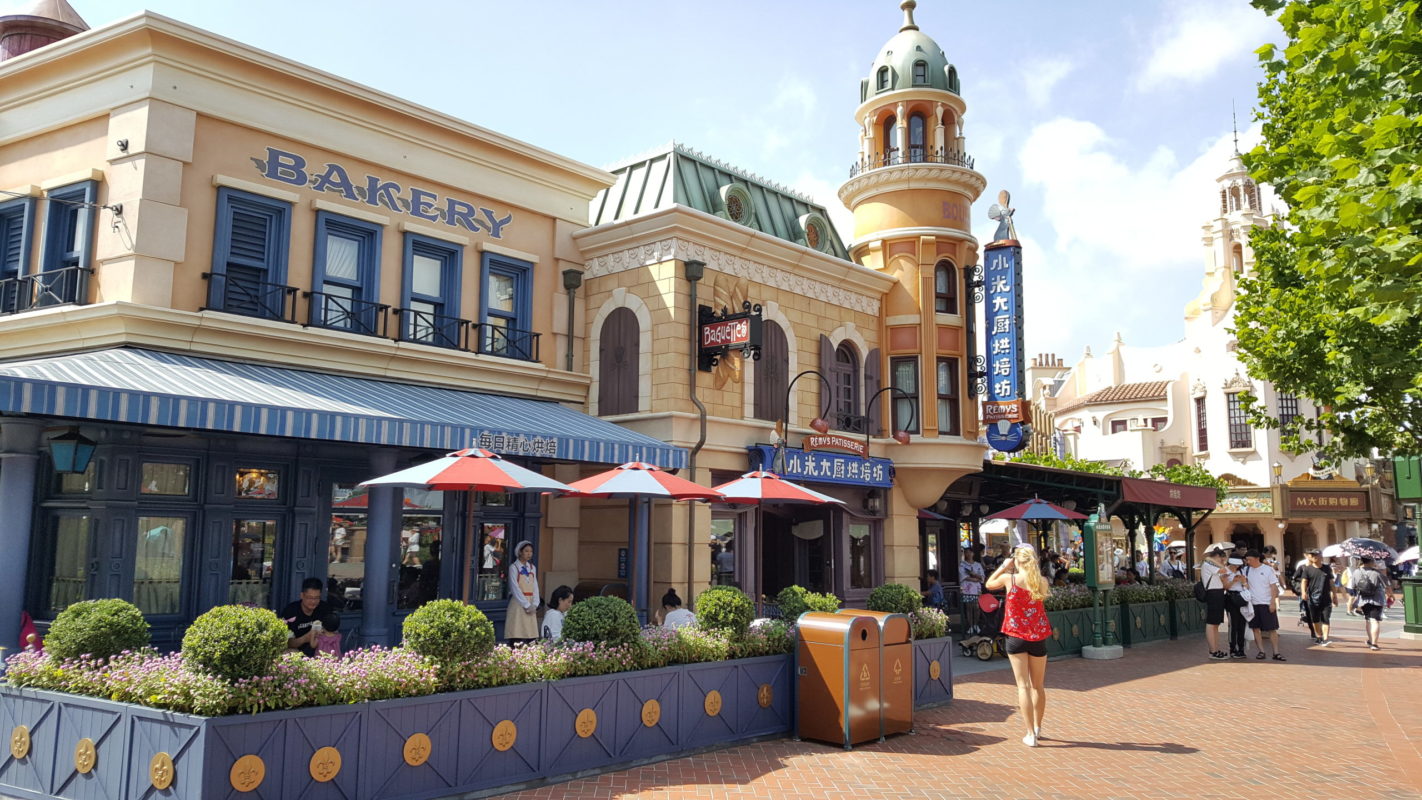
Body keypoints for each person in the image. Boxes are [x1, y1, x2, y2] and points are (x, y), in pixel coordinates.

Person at [986, 544, 1052, 748]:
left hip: (1016, 636)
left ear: (1017, 561)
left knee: (1023, 686)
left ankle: (1030, 733)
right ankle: (1038, 727)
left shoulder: (1010, 579)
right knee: (1038, 685)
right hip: (1037, 635)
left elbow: (989, 584)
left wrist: (1004, 567)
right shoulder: (1041, 581)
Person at [1243, 549, 1284, 661]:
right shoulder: (1246, 570)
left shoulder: (1267, 569)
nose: (1248, 562)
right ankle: (1261, 651)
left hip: (1266, 602)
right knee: (1255, 628)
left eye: (1250, 559)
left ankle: (1276, 652)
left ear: (1257, 558)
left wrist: (1272, 602)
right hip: (1253, 603)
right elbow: (1245, 585)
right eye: (1247, 560)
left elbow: (1273, 586)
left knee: (1272, 628)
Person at [281, 577, 336, 658]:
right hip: (297, 652)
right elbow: (286, 643)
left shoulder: (325, 609)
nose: (313, 601)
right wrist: (305, 638)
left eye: (317, 598)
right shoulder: (291, 611)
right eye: (310, 598)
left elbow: (333, 634)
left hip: (320, 650)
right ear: (302, 596)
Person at [1351, 557, 1392, 651]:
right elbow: (1387, 585)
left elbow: (1353, 586)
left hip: (1363, 600)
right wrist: (1391, 595)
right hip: (1377, 600)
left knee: (1368, 620)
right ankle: (1374, 643)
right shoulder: (1377, 573)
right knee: (1375, 621)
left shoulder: (1356, 572)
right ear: (1371, 561)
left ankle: (1370, 640)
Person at [1200, 542, 1231, 660]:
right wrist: (1213, 560)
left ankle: (1216, 649)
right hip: (1212, 593)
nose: (1223, 561)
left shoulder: (1211, 564)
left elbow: (1223, 573)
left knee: (1216, 624)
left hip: (1218, 593)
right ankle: (1213, 651)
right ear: (1217, 557)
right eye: (1221, 559)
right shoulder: (1208, 564)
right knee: (1211, 623)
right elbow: (1224, 570)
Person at [1297, 548, 1335, 645]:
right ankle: (1318, 636)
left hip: (1326, 598)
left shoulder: (1327, 568)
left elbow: (1331, 582)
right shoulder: (1307, 569)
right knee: (1315, 619)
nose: (1314, 557)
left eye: (1316, 555)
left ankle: (1325, 638)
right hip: (1313, 598)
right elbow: (1304, 581)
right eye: (1312, 555)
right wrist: (1303, 593)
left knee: (1326, 619)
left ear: (1321, 557)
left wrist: (1334, 595)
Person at [505, 540, 540, 644]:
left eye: (531, 551)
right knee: (517, 632)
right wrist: (526, 605)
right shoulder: (514, 567)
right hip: (518, 603)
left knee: (530, 634)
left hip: (531, 603)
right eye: (526, 551)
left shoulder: (532, 568)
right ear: (520, 552)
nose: (529, 554)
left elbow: (535, 586)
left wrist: (535, 603)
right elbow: (515, 588)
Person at [1223, 555, 1251, 659]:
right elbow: (1225, 587)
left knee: (1242, 624)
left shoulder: (1242, 571)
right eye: (1234, 565)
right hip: (1230, 598)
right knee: (1233, 624)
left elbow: (1247, 587)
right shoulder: (1225, 571)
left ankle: (1241, 648)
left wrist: (1243, 582)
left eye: (1238, 565)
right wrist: (1234, 580)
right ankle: (1232, 648)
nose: (1236, 567)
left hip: (1242, 598)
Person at [959, 549, 986, 634]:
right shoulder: (962, 564)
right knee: (969, 607)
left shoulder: (978, 564)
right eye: (966, 552)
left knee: (977, 607)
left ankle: (976, 624)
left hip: (977, 588)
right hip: (967, 588)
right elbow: (963, 576)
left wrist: (974, 575)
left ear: (973, 553)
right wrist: (974, 579)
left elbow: (982, 576)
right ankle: (970, 625)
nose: (968, 554)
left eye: (970, 552)